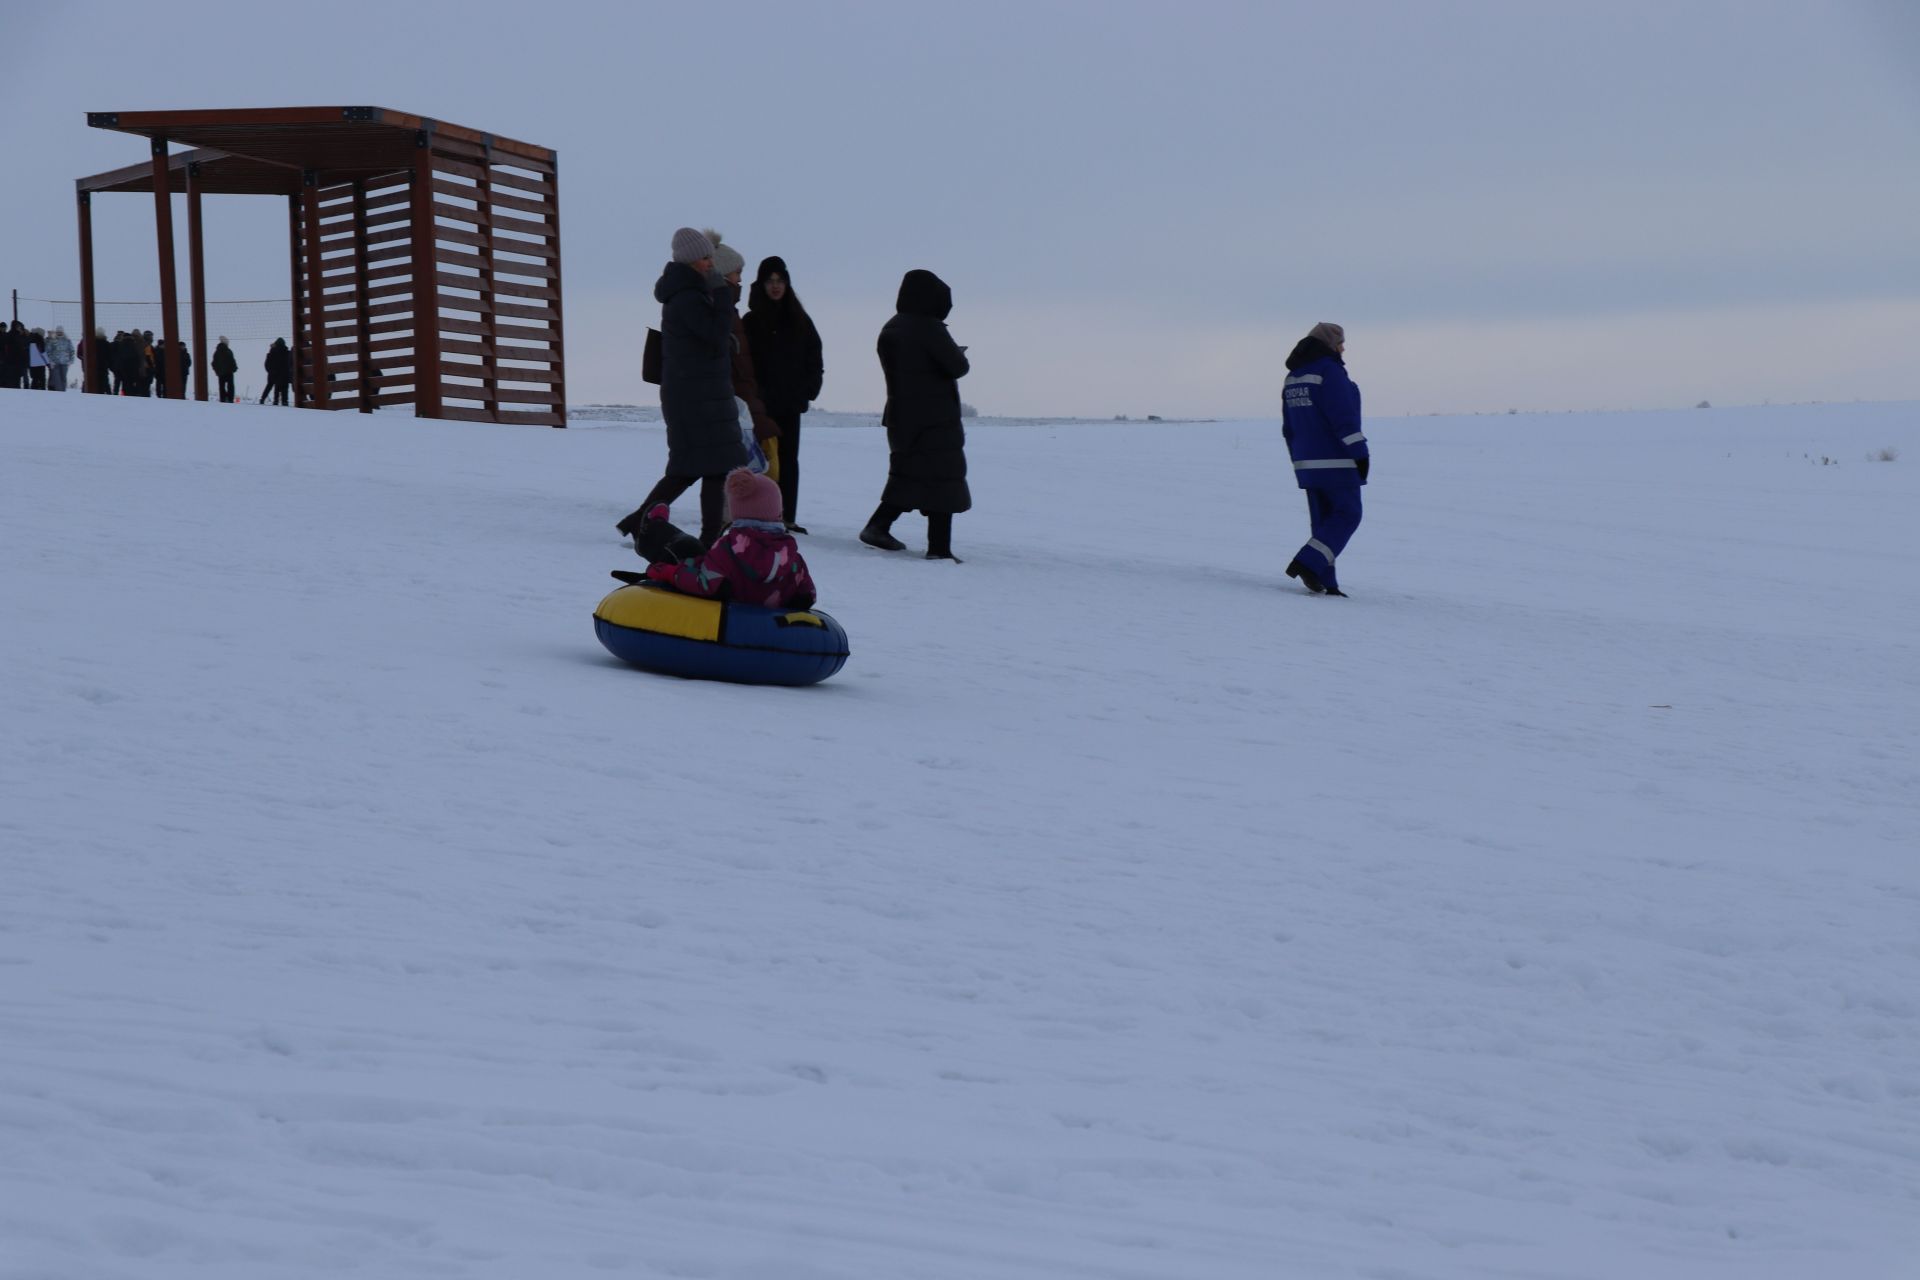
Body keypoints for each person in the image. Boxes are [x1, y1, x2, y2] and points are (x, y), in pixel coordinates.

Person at [617, 227, 747, 550]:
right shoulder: (688, 296)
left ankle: (695, 534)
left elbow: (709, 338)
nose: (709, 264)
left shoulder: (690, 292)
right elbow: (713, 334)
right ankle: (690, 534)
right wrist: (722, 293)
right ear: (690, 261)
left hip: (700, 395)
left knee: (706, 468)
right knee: (694, 469)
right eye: (704, 258)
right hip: (695, 398)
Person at [862, 269, 971, 561]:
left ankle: (878, 526)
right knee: (942, 479)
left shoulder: (892, 327)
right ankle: (939, 549)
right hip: (934, 416)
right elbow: (958, 366)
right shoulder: (929, 328)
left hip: (901, 415)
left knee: (908, 476)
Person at [636, 468, 817, 609]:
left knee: (687, 550)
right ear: (778, 512)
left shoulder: (727, 548)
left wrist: (670, 573)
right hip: (765, 628)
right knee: (698, 555)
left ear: (735, 511)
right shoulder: (793, 558)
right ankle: (656, 527)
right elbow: (807, 595)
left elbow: (705, 583)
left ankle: (652, 529)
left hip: (725, 617)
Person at [1280, 321, 1369, 597]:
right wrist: (1360, 452)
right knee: (1348, 514)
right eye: (1340, 343)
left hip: (1307, 464)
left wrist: (1298, 460)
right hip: (1337, 461)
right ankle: (1308, 562)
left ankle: (1325, 580)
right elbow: (1343, 418)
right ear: (1329, 344)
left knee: (1324, 523)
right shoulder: (1330, 372)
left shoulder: (1294, 378)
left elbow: (1288, 428)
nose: (1343, 348)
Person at [743, 255, 825, 532]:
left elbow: (815, 358)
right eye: (770, 281)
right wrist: (755, 396)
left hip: (790, 404)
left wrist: (808, 391)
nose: (775, 286)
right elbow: (746, 364)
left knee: (789, 461)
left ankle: (786, 516)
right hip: (762, 406)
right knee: (762, 461)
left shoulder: (800, 320)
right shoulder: (752, 321)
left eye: (780, 281)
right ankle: (760, 515)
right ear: (762, 284)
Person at [708, 233, 783, 483]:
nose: (740, 279)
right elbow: (733, 365)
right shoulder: (721, 311)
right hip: (738, 404)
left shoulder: (730, 310)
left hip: (745, 401)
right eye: (737, 273)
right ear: (723, 273)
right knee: (757, 471)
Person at [44, 326, 74, 392]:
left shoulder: (67, 340)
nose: (59, 333)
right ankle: (59, 393)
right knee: (57, 379)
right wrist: (50, 361)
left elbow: (72, 351)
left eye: (61, 332)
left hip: (64, 363)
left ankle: (63, 391)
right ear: (56, 332)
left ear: (63, 332)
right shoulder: (52, 340)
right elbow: (48, 351)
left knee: (63, 379)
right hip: (55, 363)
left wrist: (71, 361)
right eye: (58, 332)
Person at [263, 338, 292, 405]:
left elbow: (267, 363)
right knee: (285, 388)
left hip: (274, 373)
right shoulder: (287, 352)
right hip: (285, 374)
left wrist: (270, 371)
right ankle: (285, 402)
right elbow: (290, 363)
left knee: (274, 387)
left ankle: (272, 400)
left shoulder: (272, 352)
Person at [211, 336, 238, 403]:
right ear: (226, 343)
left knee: (221, 387)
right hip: (229, 372)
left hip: (221, 373)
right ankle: (230, 399)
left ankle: (223, 399)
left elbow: (213, 363)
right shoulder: (228, 351)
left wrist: (217, 371)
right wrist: (234, 368)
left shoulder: (216, 352)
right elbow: (232, 361)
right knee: (230, 386)